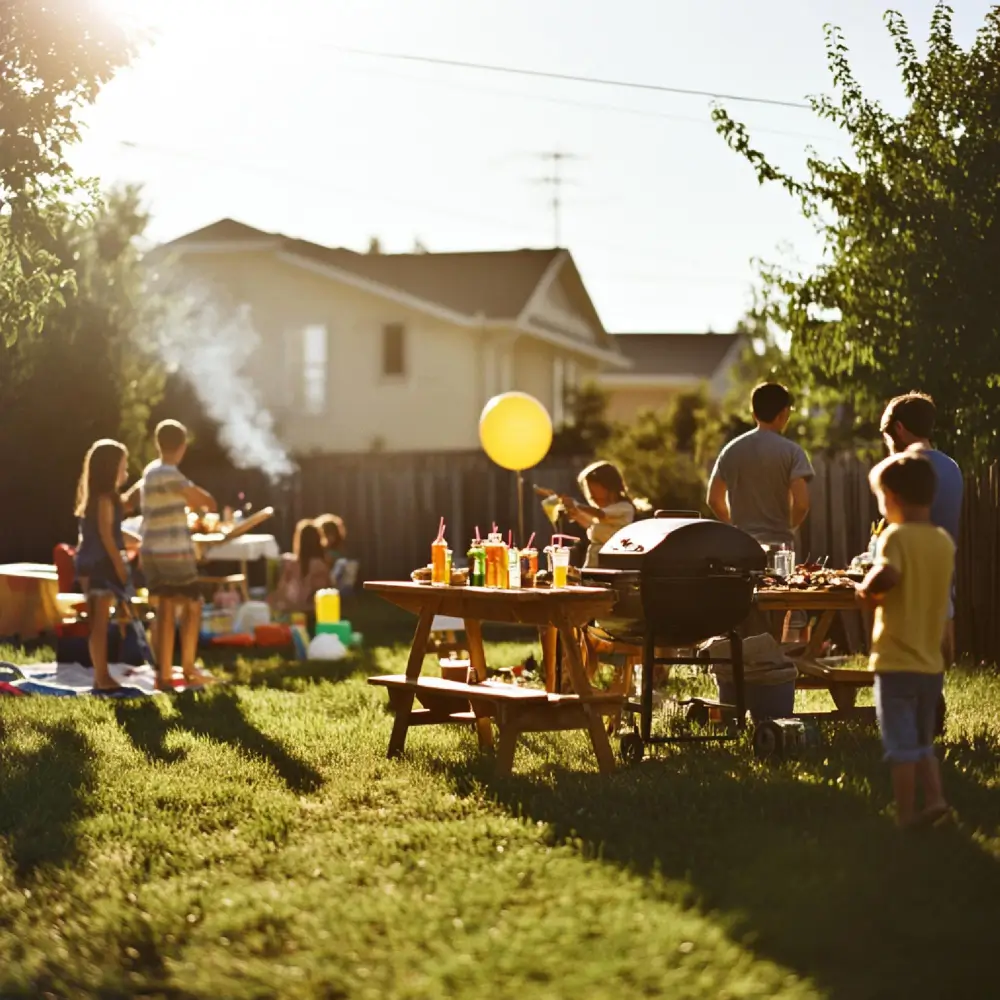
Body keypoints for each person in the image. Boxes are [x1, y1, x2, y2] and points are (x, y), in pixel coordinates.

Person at [857, 451, 954, 829]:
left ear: (893, 497)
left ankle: (906, 814)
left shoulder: (895, 537)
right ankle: (936, 800)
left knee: (900, 747)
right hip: (931, 662)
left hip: (896, 659)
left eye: (881, 499)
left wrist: (865, 591)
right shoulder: (943, 542)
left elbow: (888, 576)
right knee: (922, 741)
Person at [126, 420, 217, 690]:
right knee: (193, 604)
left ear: (157, 444)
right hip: (173, 552)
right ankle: (187, 669)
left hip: (151, 550)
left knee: (165, 607)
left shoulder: (151, 471)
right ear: (182, 446)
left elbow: (133, 499)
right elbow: (206, 501)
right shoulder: (169, 474)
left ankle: (164, 675)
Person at [880, 392, 963, 665]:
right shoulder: (952, 467)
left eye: (889, 437)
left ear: (900, 429)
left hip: (908, 576)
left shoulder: (906, 469)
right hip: (941, 569)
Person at [707, 382, 814, 547]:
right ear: (783, 413)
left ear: (754, 413)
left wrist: (736, 528)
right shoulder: (793, 452)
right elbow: (802, 503)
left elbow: (714, 499)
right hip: (778, 546)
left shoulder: (730, 451)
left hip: (741, 545)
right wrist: (787, 528)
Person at [74, 439, 138, 692]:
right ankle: (101, 676)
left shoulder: (105, 500)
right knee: (99, 623)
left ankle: (100, 674)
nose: (126, 472)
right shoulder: (103, 500)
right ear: (110, 469)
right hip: (99, 565)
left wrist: (134, 543)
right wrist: (120, 567)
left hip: (94, 563)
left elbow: (112, 530)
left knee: (99, 622)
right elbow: (106, 536)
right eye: (123, 467)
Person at [560, 461, 636, 567]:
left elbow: (601, 514)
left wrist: (577, 505)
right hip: (593, 561)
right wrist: (576, 514)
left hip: (611, 561)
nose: (592, 496)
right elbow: (591, 523)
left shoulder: (624, 508)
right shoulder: (602, 516)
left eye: (594, 493)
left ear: (609, 487)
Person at [269, 520, 330, 615]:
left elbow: (281, 589)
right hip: (312, 609)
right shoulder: (320, 565)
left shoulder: (292, 564)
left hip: (293, 607)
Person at [315, 513, 348, 583]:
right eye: (327, 534)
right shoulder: (316, 551)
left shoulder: (338, 551)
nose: (330, 538)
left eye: (332, 534)